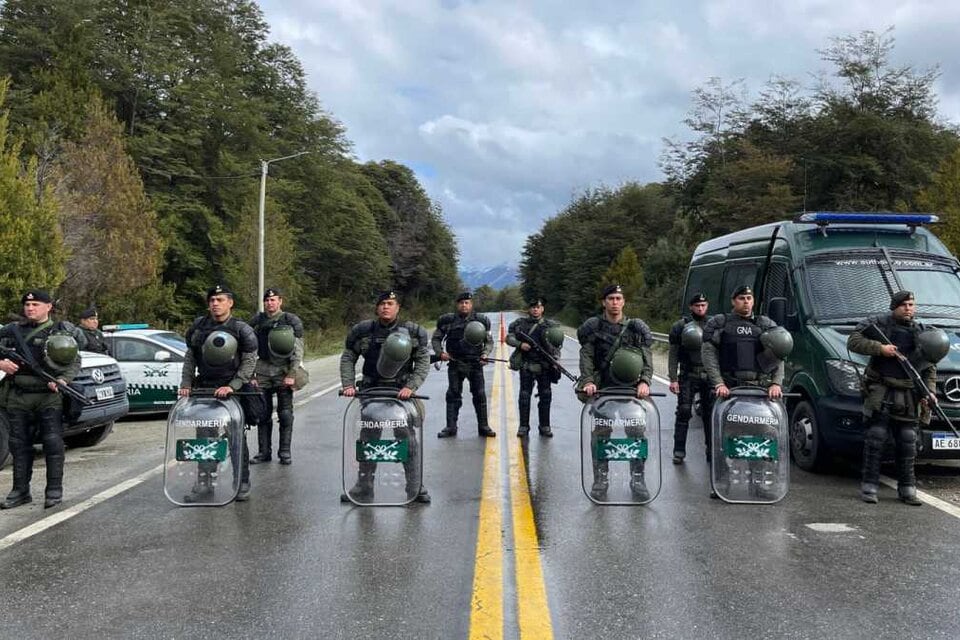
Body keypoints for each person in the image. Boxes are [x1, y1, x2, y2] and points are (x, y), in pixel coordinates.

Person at [340, 290, 431, 503]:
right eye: (382, 304)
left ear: (397, 307)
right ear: (376, 308)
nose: (385, 307)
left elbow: (423, 360)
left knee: (408, 440)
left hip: (401, 394)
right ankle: (364, 486)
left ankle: (415, 486)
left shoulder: (413, 332)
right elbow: (348, 356)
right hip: (371, 392)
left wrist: (411, 386)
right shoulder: (363, 332)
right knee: (368, 439)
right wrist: (348, 384)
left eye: (390, 303)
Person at [847, 291, 937, 506]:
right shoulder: (878, 324)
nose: (908, 308)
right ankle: (869, 486)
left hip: (908, 393)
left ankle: (907, 488)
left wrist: (929, 391)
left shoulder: (922, 331)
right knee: (876, 437)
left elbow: (929, 366)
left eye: (911, 304)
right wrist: (880, 348)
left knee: (908, 440)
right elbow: (854, 341)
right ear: (894, 306)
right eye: (904, 304)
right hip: (881, 389)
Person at [0, 290, 81, 509]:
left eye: (35, 304)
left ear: (48, 307)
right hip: (18, 395)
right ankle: (20, 491)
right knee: (18, 445)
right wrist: (1, 363)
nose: (30, 308)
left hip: (48, 395)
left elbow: (74, 361)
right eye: (27, 305)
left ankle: (54, 490)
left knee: (53, 443)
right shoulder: (12, 330)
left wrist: (63, 380)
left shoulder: (59, 331)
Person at [178, 284, 258, 502]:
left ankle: (241, 482)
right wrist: (186, 383)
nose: (215, 304)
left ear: (230, 303)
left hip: (232, 391)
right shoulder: (199, 327)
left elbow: (249, 361)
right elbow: (191, 357)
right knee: (205, 439)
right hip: (205, 389)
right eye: (212, 300)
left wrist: (233, 385)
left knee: (235, 437)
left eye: (220, 300)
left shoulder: (241, 329)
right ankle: (204, 484)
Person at [576, 284, 654, 500]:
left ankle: (638, 479)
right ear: (604, 302)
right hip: (603, 392)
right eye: (611, 298)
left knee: (637, 434)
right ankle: (600, 480)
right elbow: (586, 356)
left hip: (631, 393)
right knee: (601, 436)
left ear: (624, 301)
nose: (615, 302)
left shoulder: (636, 329)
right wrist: (588, 380)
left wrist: (645, 381)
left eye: (618, 298)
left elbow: (647, 359)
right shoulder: (594, 327)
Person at [248, 287, 304, 465]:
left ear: (280, 301)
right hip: (262, 370)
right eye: (267, 300)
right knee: (262, 414)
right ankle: (264, 452)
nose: (269, 303)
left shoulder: (290, 320)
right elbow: (248, 349)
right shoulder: (257, 321)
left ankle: (285, 452)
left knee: (285, 413)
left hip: (283, 371)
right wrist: (251, 375)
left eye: (273, 300)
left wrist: (292, 373)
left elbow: (298, 350)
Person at [432, 291, 496, 438]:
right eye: (461, 303)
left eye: (467, 302)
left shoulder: (481, 321)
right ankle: (450, 427)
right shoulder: (448, 321)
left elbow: (489, 341)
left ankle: (483, 426)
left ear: (471, 304)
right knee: (453, 394)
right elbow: (436, 339)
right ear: (457, 305)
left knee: (479, 395)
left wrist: (485, 354)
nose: (464, 305)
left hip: (475, 364)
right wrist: (440, 353)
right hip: (455, 363)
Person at [506, 297, 562, 437]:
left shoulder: (550, 326)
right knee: (524, 396)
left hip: (545, 366)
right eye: (533, 307)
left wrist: (555, 360)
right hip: (527, 365)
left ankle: (545, 426)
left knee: (546, 396)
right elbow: (509, 338)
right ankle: (524, 426)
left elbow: (557, 344)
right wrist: (520, 344)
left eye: (538, 307)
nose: (535, 310)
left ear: (542, 309)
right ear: (529, 309)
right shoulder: (520, 324)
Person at [667, 293, 711, 464]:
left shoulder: (713, 325)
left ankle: (711, 450)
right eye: (697, 306)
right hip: (687, 374)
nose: (700, 308)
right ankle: (679, 450)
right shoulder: (680, 326)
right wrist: (673, 378)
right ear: (691, 307)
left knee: (709, 413)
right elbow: (673, 354)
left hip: (708, 375)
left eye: (703, 305)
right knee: (684, 411)